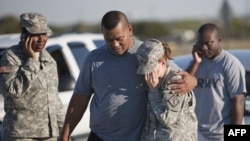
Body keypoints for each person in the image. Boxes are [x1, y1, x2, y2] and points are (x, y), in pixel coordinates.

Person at [60, 10, 197, 141]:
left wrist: (193, 81)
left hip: (136, 137)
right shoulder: (93, 59)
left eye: (120, 39)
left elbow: (175, 73)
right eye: (109, 40)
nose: (115, 45)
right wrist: (66, 133)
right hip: (100, 136)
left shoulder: (146, 54)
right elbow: (80, 98)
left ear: (130, 30)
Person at [0, 12, 65, 141]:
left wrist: (64, 129)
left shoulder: (49, 60)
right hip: (21, 134)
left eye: (44, 34)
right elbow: (12, 91)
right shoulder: (10, 57)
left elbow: (53, 98)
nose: (41, 39)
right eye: (36, 35)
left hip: (48, 134)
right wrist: (31, 61)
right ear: (24, 34)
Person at [187, 23, 247, 141]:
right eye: (200, 43)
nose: (204, 48)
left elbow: (238, 101)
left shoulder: (230, 64)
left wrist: (236, 135)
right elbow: (183, 86)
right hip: (198, 133)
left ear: (219, 40)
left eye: (208, 43)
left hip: (222, 135)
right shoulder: (197, 62)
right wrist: (195, 63)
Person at [136, 38, 197, 141]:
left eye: (151, 69)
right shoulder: (155, 81)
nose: (147, 74)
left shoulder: (175, 81)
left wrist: (154, 92)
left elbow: (168, 119)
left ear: (163, 63)